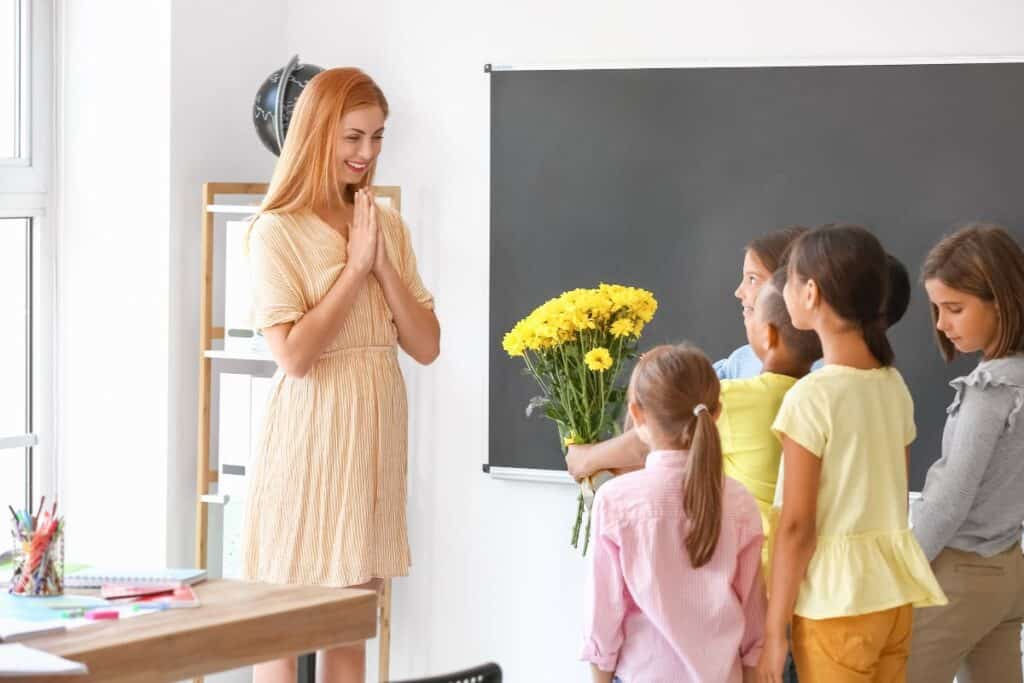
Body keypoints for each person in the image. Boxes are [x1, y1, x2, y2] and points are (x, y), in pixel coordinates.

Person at [240, 67, 440, 683]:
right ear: (319, 132)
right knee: (282, 623)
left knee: (349, 627)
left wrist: (380, 264)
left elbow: (427, 345)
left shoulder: (385, 224)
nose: (366, 154)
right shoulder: (274, 231)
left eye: (377, 138)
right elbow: (294, 357)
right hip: (308, 439)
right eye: (353, 137)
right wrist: (354, 271)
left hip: (373, 435)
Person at [757, 224, 945, 683]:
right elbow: (894, 501)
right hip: (892, 598)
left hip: (836, 607)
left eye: (792, 280)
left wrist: (774, 629)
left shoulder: (813, 397)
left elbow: (797, 527)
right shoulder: (892, 385)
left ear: (812, 292)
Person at [580, 344, 765, 683]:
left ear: (637, 415)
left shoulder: (616, 500)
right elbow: (755, 623)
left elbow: (604, 621)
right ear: (717, 412)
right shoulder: (740, 502)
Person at [908, 224, 1024, 682]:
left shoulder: (991, 390)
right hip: (1008, 570)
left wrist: (901, 569)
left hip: (960, 576)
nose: (941, 324)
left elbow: (950, 499)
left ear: (1002, 299)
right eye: (937, 309)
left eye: (955, 309)